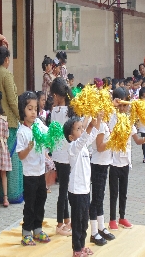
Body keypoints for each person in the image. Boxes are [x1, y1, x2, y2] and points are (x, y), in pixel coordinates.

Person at [108, 87, 145, 231]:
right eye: (121, 104)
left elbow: (136, 140)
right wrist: (113, 106)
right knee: (114, 193)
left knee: (123, 192)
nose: (123, 108)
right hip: (113, 162)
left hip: (125, 162)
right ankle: (112, 219)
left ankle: (122, 217)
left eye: (126, 105)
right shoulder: (112, 118)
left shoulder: (129, 121)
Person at [16, 91, 50, 246]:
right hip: (29, 174)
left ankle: (38, 228)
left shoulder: (39, 125)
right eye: (29, 108)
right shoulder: (22, 132)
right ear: (23, 110)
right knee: (29, 203)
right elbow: (21, 156)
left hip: (40, 172)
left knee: (41, 200)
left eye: (35, 109)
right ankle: (26, 232)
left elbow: (48, 135)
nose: (33, 112)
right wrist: (29, 148)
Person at [65, 115, 100, 257]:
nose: (82, 130)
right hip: (76, 191)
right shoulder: (73, 148)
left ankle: (83, 245)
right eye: (78, 129)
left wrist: (99, 119)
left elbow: (91, 136)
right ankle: (77, 249)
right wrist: (90, 126)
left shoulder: (84, 147)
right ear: (71, 137)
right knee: (77, 223)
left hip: (85, 190)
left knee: (84, 222)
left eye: (82, 127)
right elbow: (84, 139)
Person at [0, 46, 21, 203]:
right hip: (10, 121)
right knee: (11, 160)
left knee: (3, 161)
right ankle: (12, 194)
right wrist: (21, 117)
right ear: (7, 60)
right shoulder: (6, 74)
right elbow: (12, 100)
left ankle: (4, 194)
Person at [50, 77, 74, 236]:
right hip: (67, 155)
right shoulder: (71, 112)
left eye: (53, 95)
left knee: (63, 190)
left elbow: (53, 133)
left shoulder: (55, 111)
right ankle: (60, 224)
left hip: (59, 154)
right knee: (64, 191)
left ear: (58, 96)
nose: (52, 98)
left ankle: (65, 220)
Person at [89, 112, 115, 247]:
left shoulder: (104, 123)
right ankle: (93, 232)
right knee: (96, 199)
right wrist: (114, 139)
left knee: (100, 197)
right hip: (98, 164)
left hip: (105, 163)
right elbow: (99, 147)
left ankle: (101, 226)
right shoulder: (99, 125)